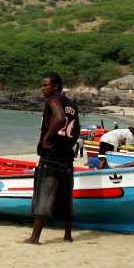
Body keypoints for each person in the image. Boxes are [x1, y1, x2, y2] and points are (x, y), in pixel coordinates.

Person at [24, 72, 80, 245]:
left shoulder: (54, 100)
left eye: (45, 85)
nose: (42, 88)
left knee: (44, 195)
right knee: (65, 196)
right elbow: (77, 130)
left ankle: (34, 237)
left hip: (52, 155)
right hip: (66, 157)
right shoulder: (72, 104)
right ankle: (68, 235)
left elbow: (59, 118)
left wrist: (47, 138)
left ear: (55, 86)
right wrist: (68, 145)